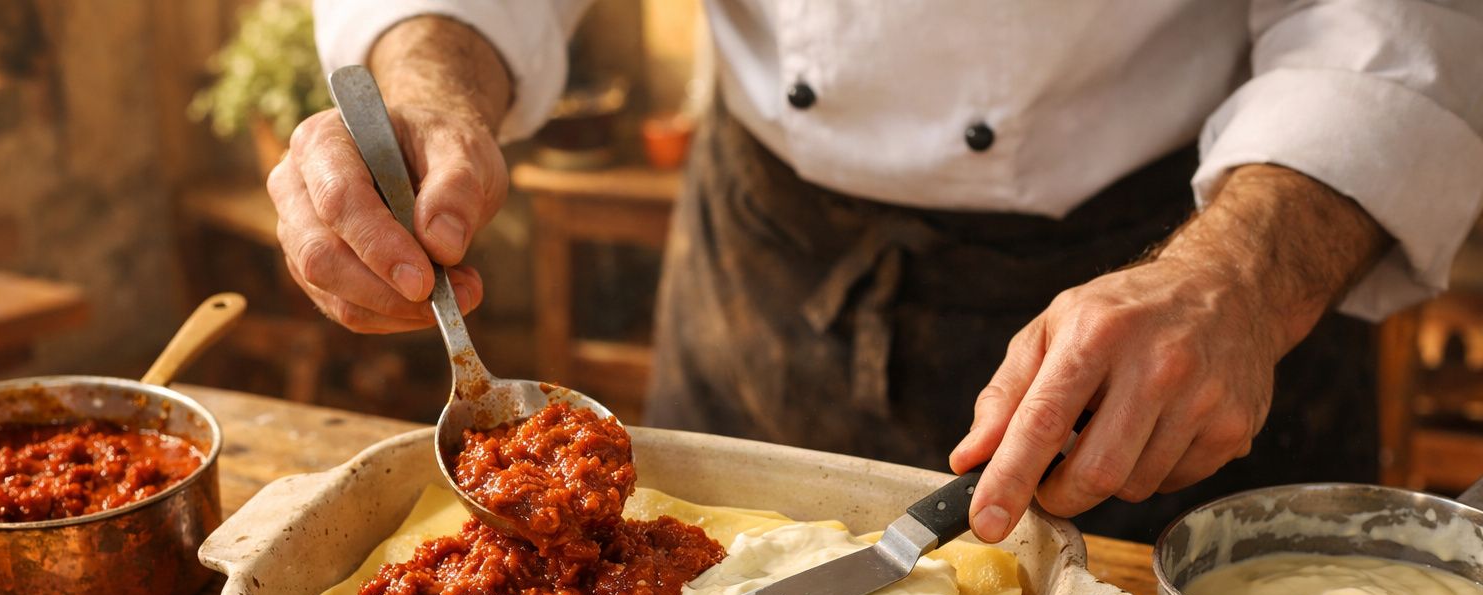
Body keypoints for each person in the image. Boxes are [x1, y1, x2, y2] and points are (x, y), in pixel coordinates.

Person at [276, 2, 1483, 542]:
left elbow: (1396, 20)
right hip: (769, 258)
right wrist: (429, 83)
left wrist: (1241, 278)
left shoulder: (1216, 283)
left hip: (1180, 283)